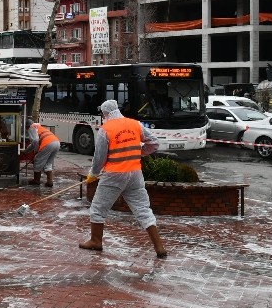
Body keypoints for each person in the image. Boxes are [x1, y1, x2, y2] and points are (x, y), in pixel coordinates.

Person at [81, 99, 167, 259]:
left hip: (114, 174)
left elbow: (99, 157)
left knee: (98, 208)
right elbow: (154, 143)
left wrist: (93, 174)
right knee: (143, 210)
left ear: (105, 113)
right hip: (135, 173)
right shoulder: (135, 124)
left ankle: (95, 241)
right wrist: (138, 153)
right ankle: (159, 247)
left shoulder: (105, 129)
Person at [25, 117, 60, 187]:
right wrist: (26, 151)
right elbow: (34, 143)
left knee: (37, 160)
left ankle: (36, 180)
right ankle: (50, 181)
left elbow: (35, 141)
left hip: (48, 143)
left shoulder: (31, 128)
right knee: (48, 163)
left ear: (27, 127)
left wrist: (35, 152)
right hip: (56, 142)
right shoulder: (39, 127)